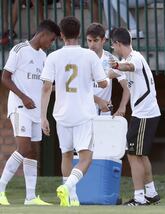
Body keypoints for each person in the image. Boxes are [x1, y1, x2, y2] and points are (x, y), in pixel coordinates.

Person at [40, 16, 108, 207]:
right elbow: (102, 82)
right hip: (83, 113)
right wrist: (104, 78)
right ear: (79, 34)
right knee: (86, 158)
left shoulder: (52, 57)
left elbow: (46, 88)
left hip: (61, 114)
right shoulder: (90, 56)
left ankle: (72, 198)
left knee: (66, 155)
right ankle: (68, 186)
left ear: (61, 35)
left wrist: (42, 116)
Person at [0, 19, 60, 206]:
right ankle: (0, 189)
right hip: (19, 108)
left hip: (35, 112)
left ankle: (30, 197)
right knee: (24, 148)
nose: (51, 43)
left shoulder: (44, 56)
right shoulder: (19, 50)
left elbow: (45, 85)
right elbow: (5, 77)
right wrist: (24, 97)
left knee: (32, 153)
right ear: (43, 34)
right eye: (51, 39)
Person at [107, 27, 161, 206]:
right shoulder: (125, 60)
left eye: (113, 45)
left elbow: (128, 67)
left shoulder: (135, 58)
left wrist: (116, 65)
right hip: (144, 114)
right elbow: (110, 74)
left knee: (132, 154)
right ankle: (151, 193)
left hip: (145, 114)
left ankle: (139, 198)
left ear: (117, 43)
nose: (113, 48)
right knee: (141, 154)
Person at [86, 22, 130, 116]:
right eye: (89, 41)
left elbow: (127, 87)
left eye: (95, 40)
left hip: (104, 114)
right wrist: (98, 100)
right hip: (84, 114)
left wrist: (122, 107)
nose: (92, 44)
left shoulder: (111, 59)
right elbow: (77, 89)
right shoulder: (82, 59)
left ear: (103, 40)